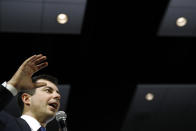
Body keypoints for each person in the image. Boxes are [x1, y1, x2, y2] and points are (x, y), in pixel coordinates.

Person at [0, 54, 61, 131]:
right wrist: (13, 85)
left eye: (58, 94)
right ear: (26, 99)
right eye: (48, 90)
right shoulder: (5, 122)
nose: (57, 96)